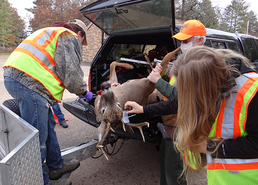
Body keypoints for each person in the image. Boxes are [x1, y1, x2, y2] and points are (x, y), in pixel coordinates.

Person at [125, 46, 258, 185]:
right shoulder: (214, 85)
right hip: (220, 177)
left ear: (208, 82)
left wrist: (209, 146)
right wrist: (144, 109)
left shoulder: (253, 92)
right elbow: (181, 101)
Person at [3, 19, 93, 185]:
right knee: (38, 138)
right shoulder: (68, 36)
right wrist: (84, 93)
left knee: (48, 125)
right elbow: (71, 72)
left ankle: (56, 166)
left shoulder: (51, 33)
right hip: (29, 82)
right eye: (82, 40)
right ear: (80, 33)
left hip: (18, 77)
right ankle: (43, 182)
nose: (80, 44)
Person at [147, 19, 207, 185]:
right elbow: (174, 85)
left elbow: (182, 98)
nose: (182, 44)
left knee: (176, 172)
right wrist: (162, 76)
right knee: (166, 166)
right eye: (181, 40)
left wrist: (158, 81)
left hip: (184, 128)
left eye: (186, 41)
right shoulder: (186, 60)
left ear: (200, 40)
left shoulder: (202, 64)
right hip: (170, 124)